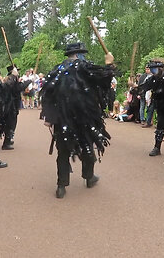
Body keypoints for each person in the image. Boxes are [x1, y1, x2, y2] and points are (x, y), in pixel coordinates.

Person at [41, 42, 116, 199]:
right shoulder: (84, 67)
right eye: (82, 54)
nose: (84, 57)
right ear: (78, 55)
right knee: (87, 146)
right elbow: (104, 82)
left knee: (63, 151)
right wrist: (109, 65)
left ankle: (61, 186)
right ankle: (89, 177)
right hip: (84, 119)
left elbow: (47, 93)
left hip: (62, 120)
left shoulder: (57, 70)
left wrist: (48, 116)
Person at [0, 65, 32, 150]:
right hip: (9, 106)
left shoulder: (11, 80)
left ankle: (8, 139)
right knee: (10, 123)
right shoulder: (10, 80)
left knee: (10, 123)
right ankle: (6, 142)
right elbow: (18, 88)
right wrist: (29, 81)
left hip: (11, 106)